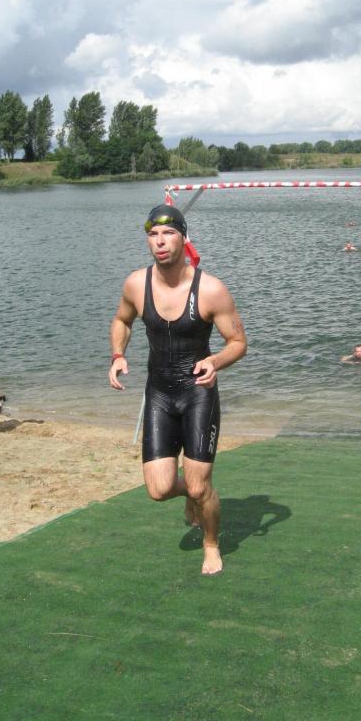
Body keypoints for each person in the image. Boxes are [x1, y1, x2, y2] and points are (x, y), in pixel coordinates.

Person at [108, 204, 247, 576]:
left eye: (168, 233)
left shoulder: (211, 289)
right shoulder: (136, 284)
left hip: (198, 392)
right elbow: (122, 320)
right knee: (158, 490)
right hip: (159, 394)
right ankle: (192, 491)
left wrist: (215, 361)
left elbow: (238, 342)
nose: (160, 241)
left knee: (202, 488)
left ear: (184, 238)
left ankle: (211, 544)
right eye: (153, 235)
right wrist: (118, 355)